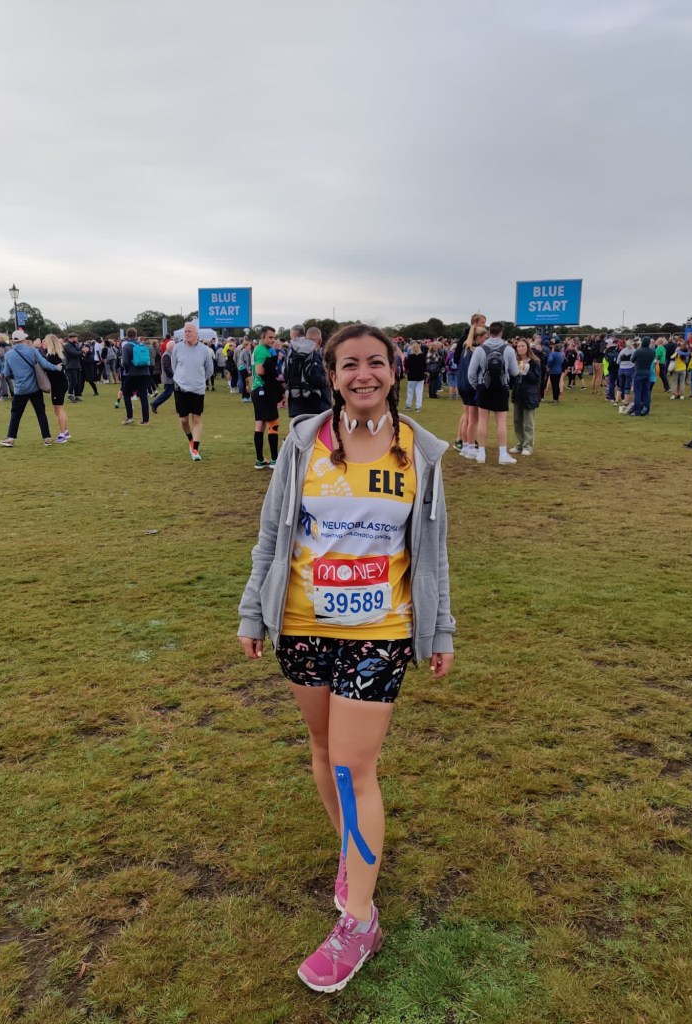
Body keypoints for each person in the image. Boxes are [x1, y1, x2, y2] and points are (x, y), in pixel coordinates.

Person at [238, 323, 455, 993]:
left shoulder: (421, 450)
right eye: (350, 364)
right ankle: (350, 855)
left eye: (376, 363)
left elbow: (434, 550)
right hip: (302, 624)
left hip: (380, 631)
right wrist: (253, 609)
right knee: (322, 748)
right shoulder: (302, 444)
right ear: (331, 377)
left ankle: (359, 919)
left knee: (354, 766)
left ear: (395, 371)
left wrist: (440, 627)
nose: (364, 374)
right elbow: (273, 534)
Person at [467, 321, 519, 464]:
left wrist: (477, 386)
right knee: (501, 421)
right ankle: (502, 454)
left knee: (482, 420)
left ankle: (481, 453)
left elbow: (471, 372)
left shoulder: (480, 349)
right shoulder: (508, 349)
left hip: (484, 386)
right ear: (501, 332)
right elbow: (514, 372)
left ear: (489, 332)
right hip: (501, 386)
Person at [0, 330, 58, 447]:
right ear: (24, 340)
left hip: (20, 389)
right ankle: (47, 437)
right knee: (41, 413)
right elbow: (45, 364)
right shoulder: (32, 351)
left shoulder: (9, 354)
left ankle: (11, 438)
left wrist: (15, 376)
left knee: (16, 414)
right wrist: (57, 367)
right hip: (35, 388)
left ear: (13, 340)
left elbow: (6, 373)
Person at [170, 321, 215, 461]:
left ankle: (195, 449)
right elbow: (174, 366)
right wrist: (182, 379)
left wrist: (199, 380)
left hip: (197, 389)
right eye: (185, 331)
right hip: (181, 388)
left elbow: (209, 370)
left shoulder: (204, 350)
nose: (187, 334)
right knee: (183, 419)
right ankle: (190, 438)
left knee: (197, 418)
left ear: (196, 333)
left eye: (189, 331)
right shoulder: (177, 348)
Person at [251, 326, 283, 469]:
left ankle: (260, 460)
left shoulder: (264, 350)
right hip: (263, 390)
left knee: (260, 424)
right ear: (262, 337)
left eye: (274, 337)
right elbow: (260, 371)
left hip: (259, 390)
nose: (273, 340)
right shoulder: (261, 350)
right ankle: (274, 459)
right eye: (270, 337)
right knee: (273, 422)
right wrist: (274, 361)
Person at [285, 324, 332, 418]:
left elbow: (285, 374)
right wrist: (329, 380)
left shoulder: (292, 352)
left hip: (295, 400)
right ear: (319, 340)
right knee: (317, 432)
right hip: (316, 402)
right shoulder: (313, 354)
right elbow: (317, 379)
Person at [456, 323, 488, 461]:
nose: (485, 340)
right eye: (485, 338)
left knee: (467, 418)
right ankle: (469, 447)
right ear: (479, 337)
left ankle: (465, 446)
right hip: (471, 386)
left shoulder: (465, 348)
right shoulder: (477, 350)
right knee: (473, 420)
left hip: (462, 385)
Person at [510, 338, 541, 455]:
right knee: (517, 421)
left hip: (529, 395)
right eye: (518, 346)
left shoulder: (535, 362)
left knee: (528, 422)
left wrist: (526, 372)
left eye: (523, 346)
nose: (520, 348)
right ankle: (520, 443)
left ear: (527, 347)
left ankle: (528, 446)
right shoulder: (515, 361)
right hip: (518, 394)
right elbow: (512, 379)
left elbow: (537, 379)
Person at [120, 327, 152, 425]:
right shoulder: (142, 345)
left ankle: (130, 417)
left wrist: (126, 370)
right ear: (136, 334)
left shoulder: (126, 346)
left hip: (132, 373)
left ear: (127, 335)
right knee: (143, 396)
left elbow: (125, 361)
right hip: (144, 372)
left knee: (126, 393)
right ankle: (145, 420)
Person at [43, 333, 71, 442]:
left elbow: (51, 369)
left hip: (58, 384)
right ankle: (66, 431)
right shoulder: (57, 354)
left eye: (45, 341)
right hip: (60, 383)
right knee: (60, 410)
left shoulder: (53, 356)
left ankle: (62, 434)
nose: (43, 343)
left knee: (58, 410)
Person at [630, 337, 656, 417]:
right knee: (646, 392)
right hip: (647, 372)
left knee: (637, 392)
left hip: (639, 371)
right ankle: (646, 410)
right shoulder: (652, 352)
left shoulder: (638, 351)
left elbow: (632, 359)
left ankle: (637, 411)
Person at [151, 340, 175, 414]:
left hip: (171, 378)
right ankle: (155, 403)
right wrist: (173, 376)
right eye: (175, 346)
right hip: (169, 378)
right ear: (171, 347)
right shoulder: (166, 355)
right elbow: (167, 367)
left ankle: (181, 408)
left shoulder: (169, 354)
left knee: (175, 393)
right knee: (167, 393)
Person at [404, 342, 426, 411]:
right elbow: (424, 366)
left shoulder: (410, 357)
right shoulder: (422, 357)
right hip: (420, 376)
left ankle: (408, 406)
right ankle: (418, 407)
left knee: (410, 392)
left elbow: (407, 366)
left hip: (412, 376)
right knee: (419, 392)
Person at [64, 333, 83, 402]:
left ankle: (77, 395)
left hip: (76, 365)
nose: (77, 339)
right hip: (70, 366)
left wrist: (81, 351)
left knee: (78, 381)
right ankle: (70, 395)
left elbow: (78, 352)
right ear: (71, 338)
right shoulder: (67, 346)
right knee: (73, 381)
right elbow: (75, 354)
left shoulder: (74, 345)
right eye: (76, 338)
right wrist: (82, 351)